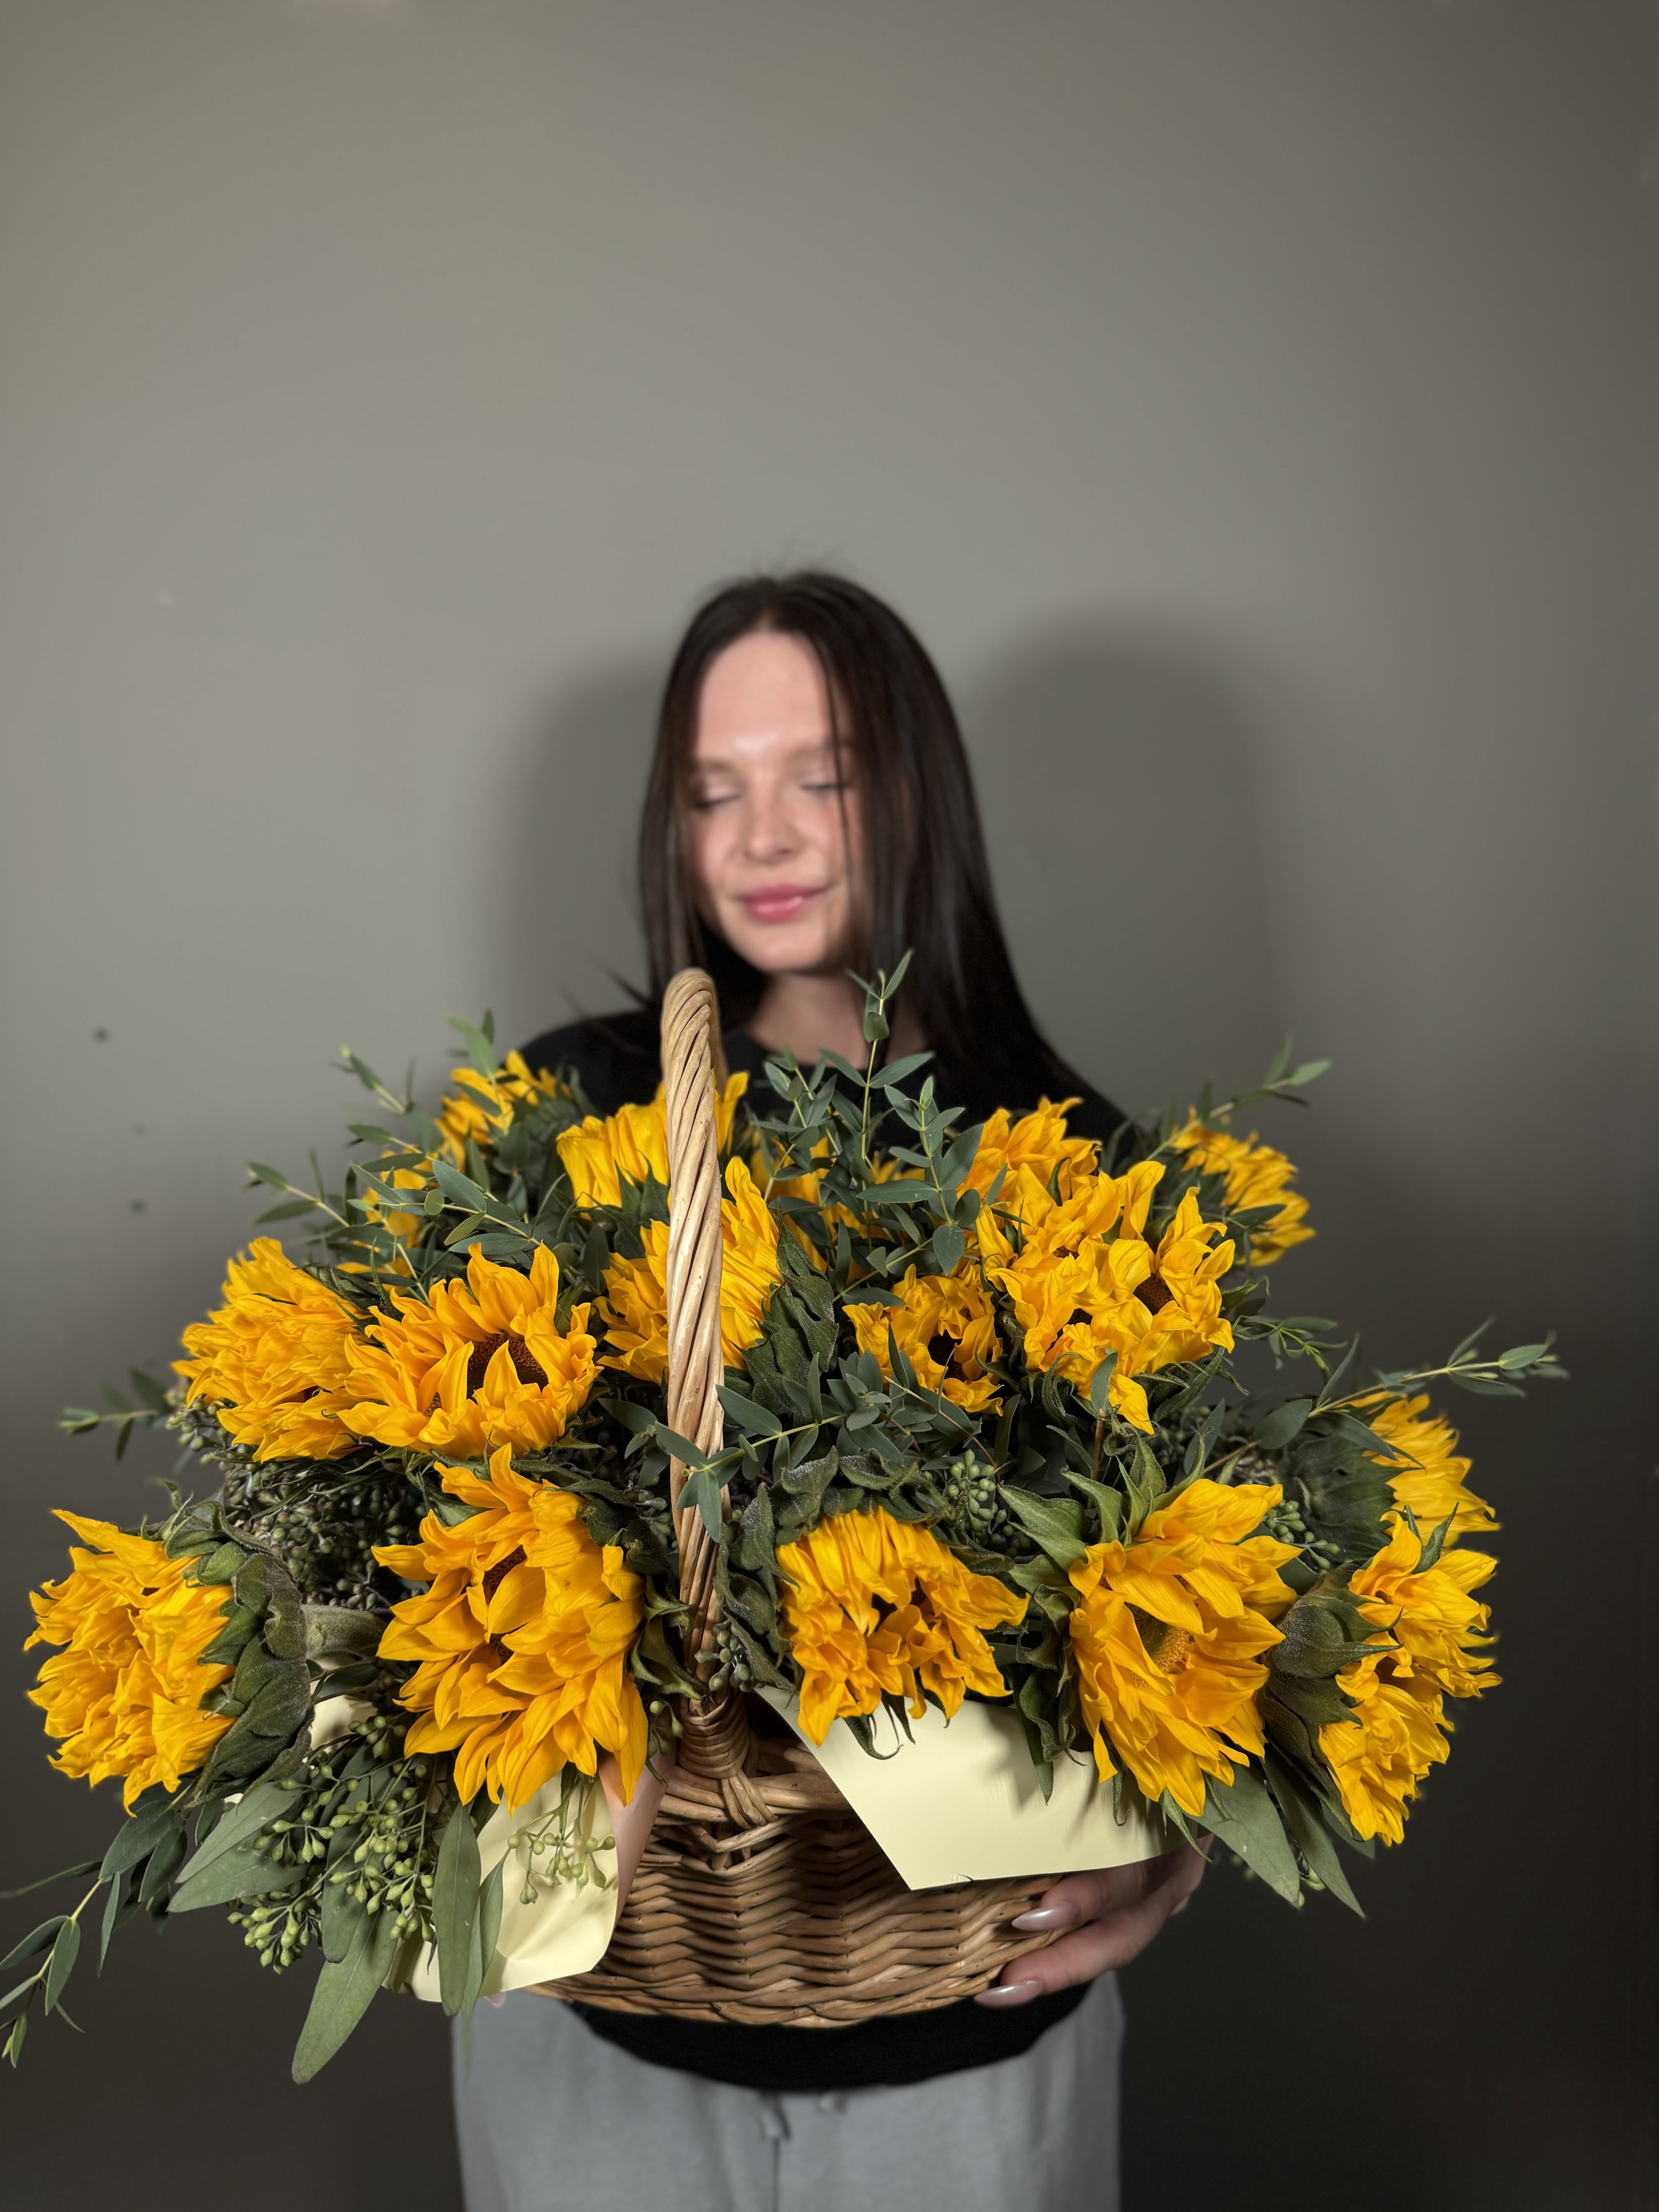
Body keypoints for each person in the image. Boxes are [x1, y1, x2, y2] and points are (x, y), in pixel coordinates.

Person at [455, 572, 1205, 2212]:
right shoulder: (573, 1110)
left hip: (972, 2040)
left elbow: (1186, 1582)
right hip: (604, 2031)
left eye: (825, 775)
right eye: (714, 792)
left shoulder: (1079, 1167)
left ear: (920, 792)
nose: (763, 838)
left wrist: (1184, 1822)